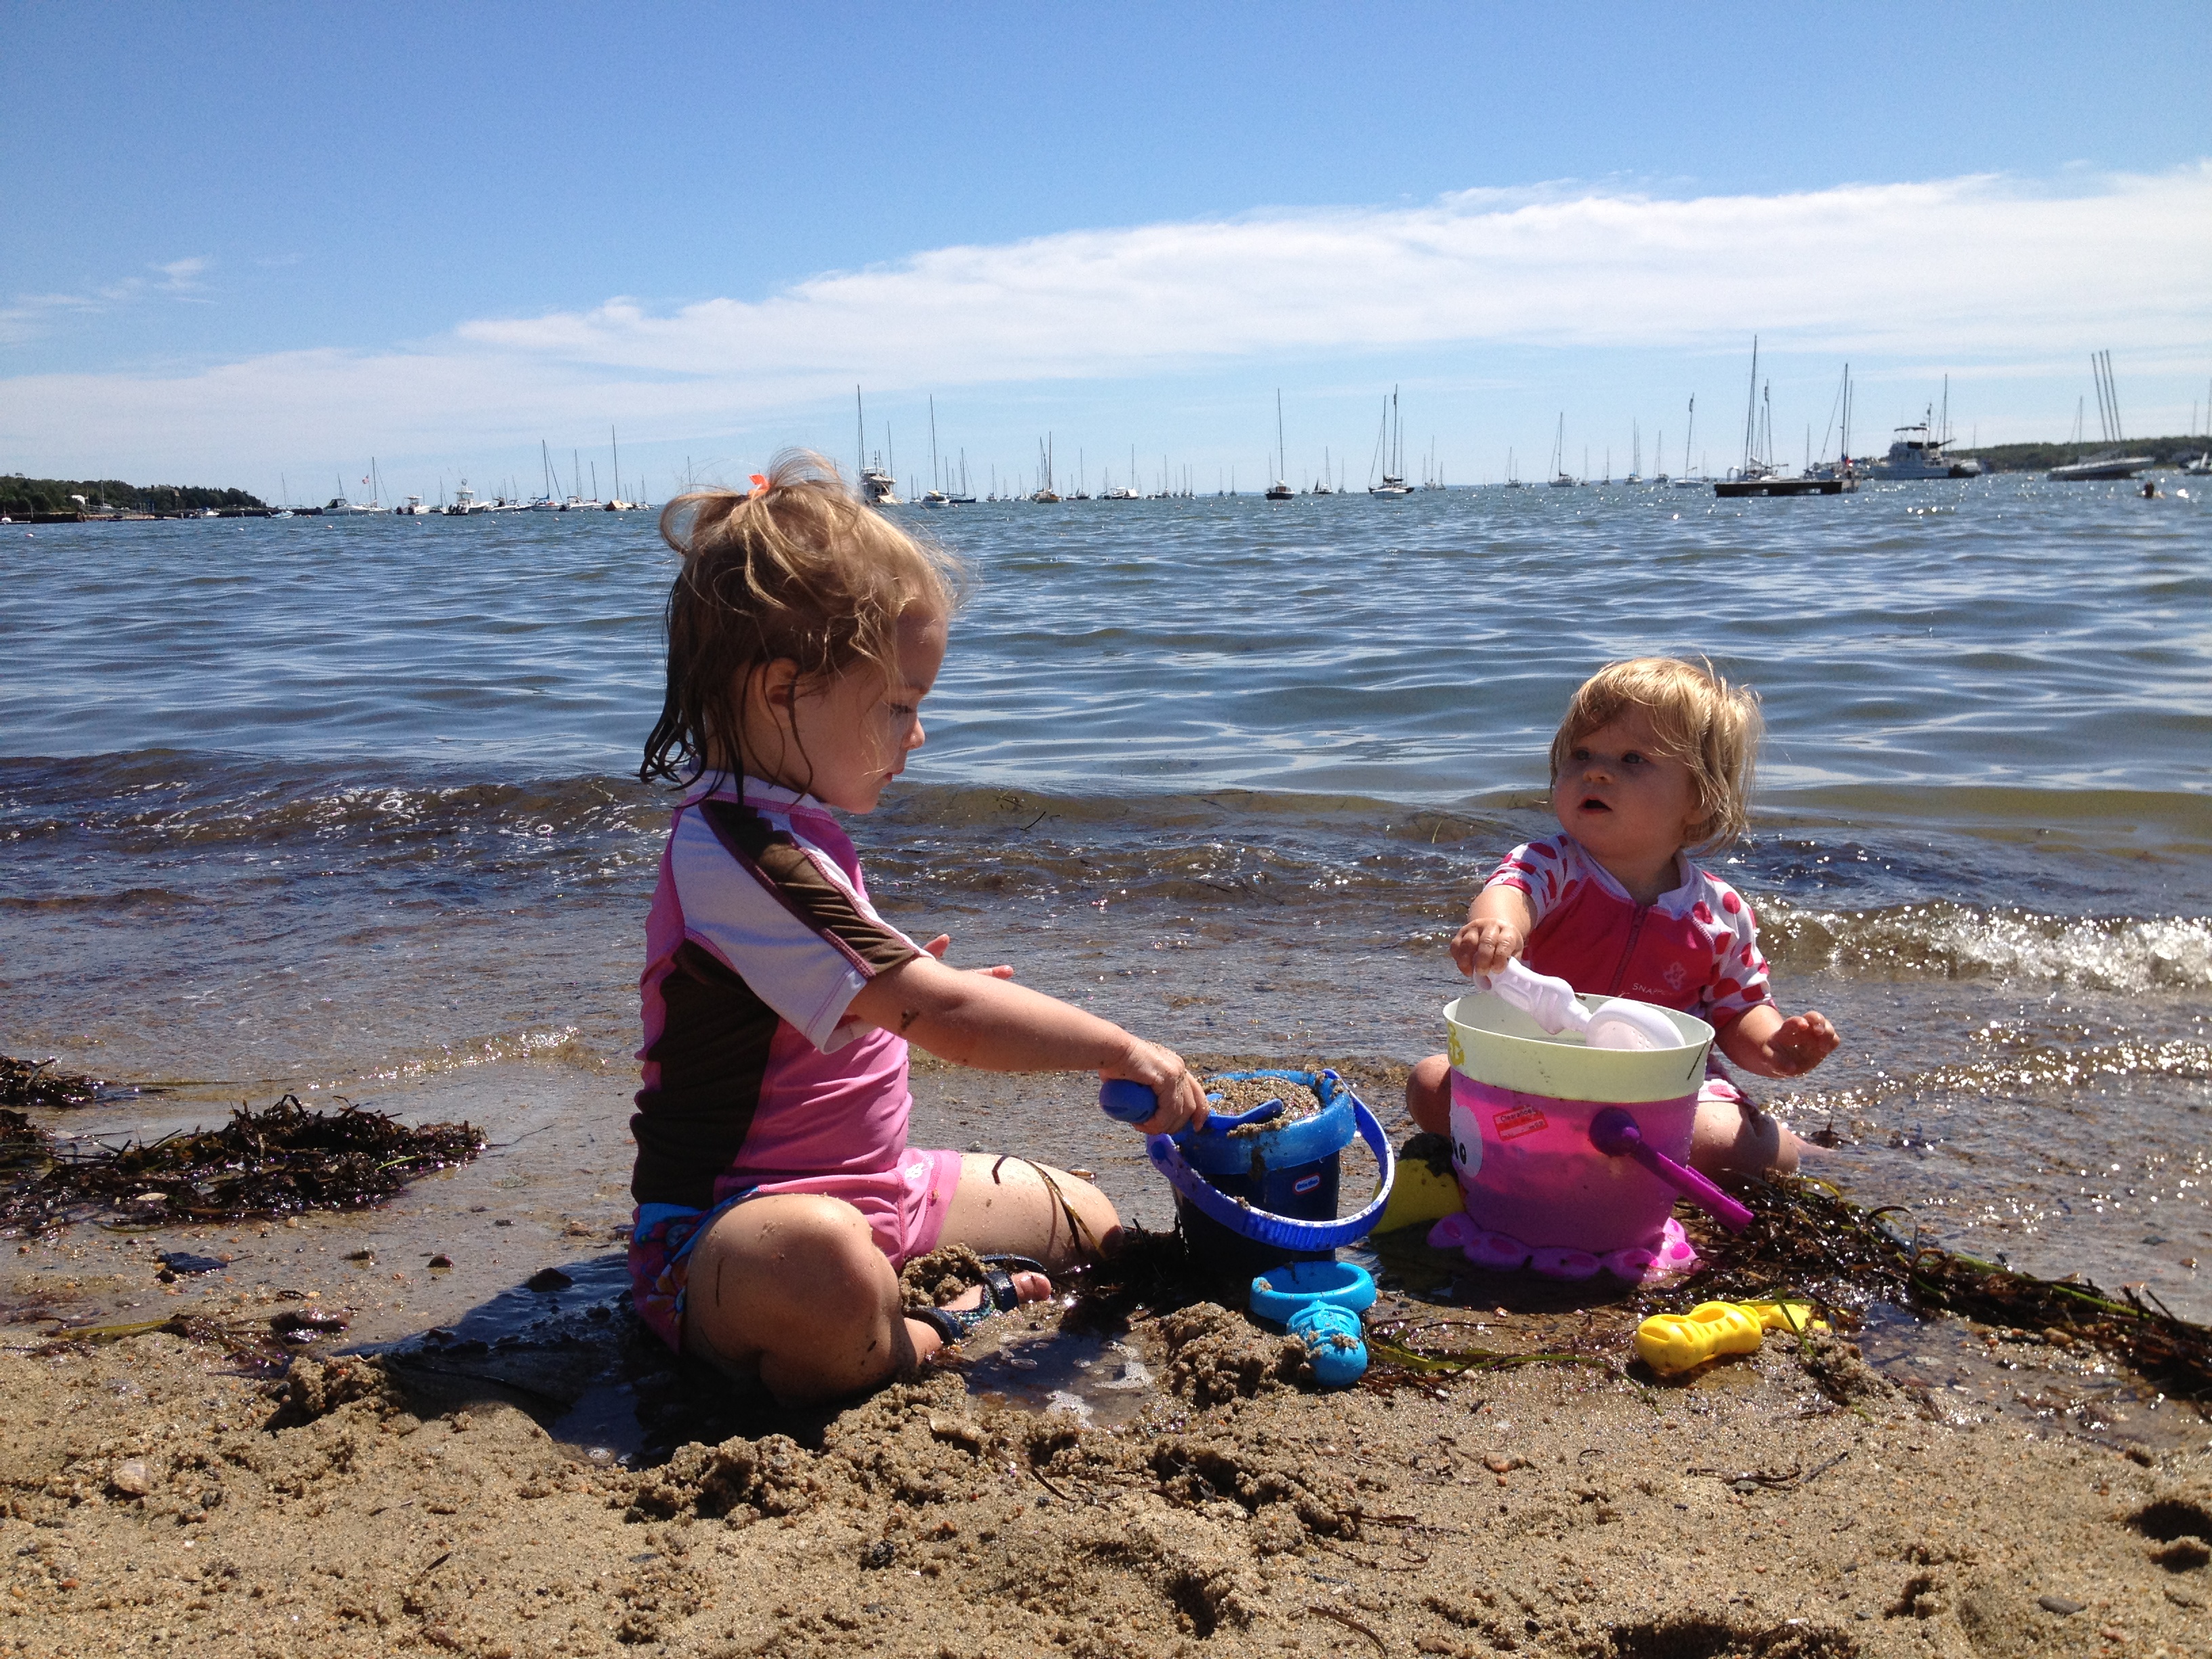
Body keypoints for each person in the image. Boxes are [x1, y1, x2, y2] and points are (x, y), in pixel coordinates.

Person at [626, 453, 1207, 1405]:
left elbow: (860, 1000)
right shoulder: (737, 855)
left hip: (878, 1187)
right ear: (782, 691)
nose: (918, 734)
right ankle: (926, 1334)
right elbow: (951, 1021)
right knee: (822, 1267)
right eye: (899, 706)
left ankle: (897, 1304)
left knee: (1090, 1220)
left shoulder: (789, 831)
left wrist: (897, 993)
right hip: (725, 1235)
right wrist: (1117, 1049)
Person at [1406, 657, 1837, 1175]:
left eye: (1633, 759)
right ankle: (1580, 1158)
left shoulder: (1719, 914)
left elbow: (1738, 1011)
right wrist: (1497, 928)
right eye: (1581, 754)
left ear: (1699, 798)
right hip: (1538, 1066)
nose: (1596, 770)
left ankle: (1786, 1144)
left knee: (1727, 1145)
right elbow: (1512, 892)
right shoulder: (1554, 864)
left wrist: (1773, 1045)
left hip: (1663, 1087)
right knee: (1430, 1085)